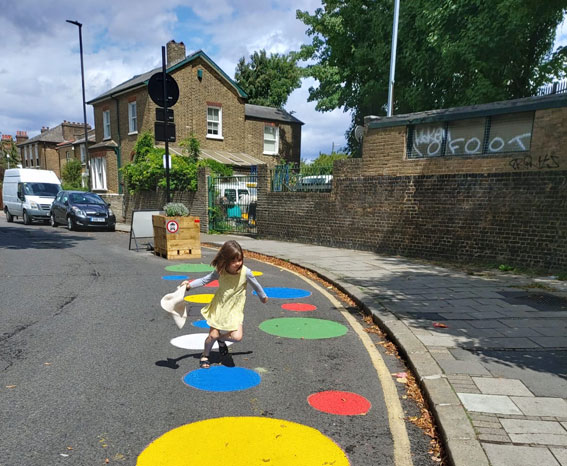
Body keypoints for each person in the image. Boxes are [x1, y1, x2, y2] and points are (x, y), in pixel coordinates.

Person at [183, 240, 268, 369]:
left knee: (237, 337)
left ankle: (221, 340)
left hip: (235, 308)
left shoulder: (246, 272)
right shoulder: (221, 271)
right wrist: (189, 285)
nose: (237, 263)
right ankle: (205, 355)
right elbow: (205, 280)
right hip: (220, 306)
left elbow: (256, 285)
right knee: (212, 335)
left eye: (239, 260)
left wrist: (262, 296)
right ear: (226, 260)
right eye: (234, 261)